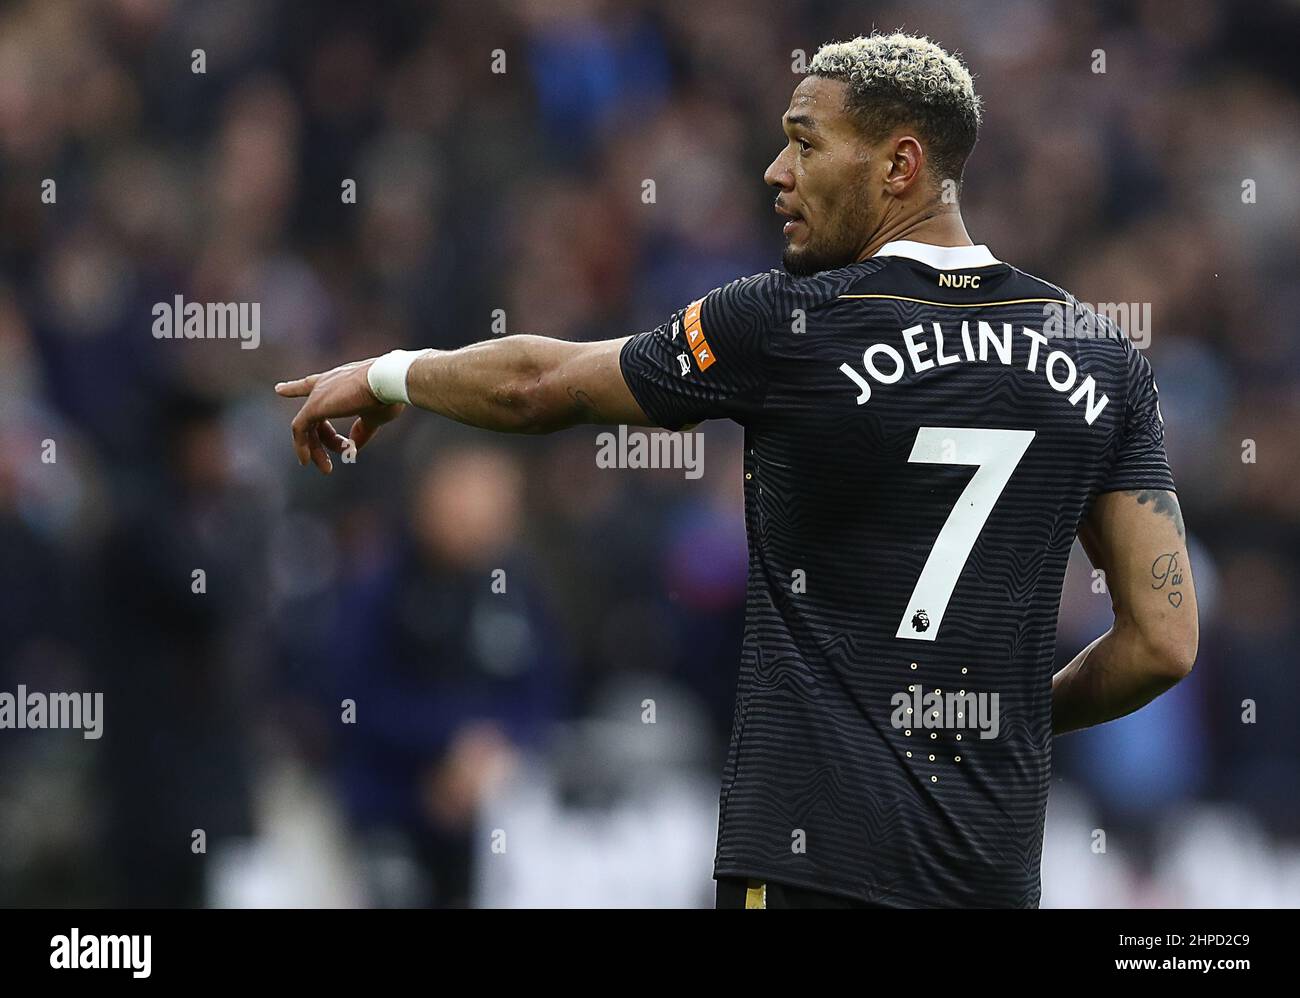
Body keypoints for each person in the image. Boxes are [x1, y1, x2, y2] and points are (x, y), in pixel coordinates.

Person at [275, 32, 1198, 908]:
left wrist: (390, 373)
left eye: (805, 144)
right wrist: (1002, 714)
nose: (776, 172)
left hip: (812, 862)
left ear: (900, 165)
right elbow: (1162, 642)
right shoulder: (1102, 358)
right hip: (989, 869)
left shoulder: (795, 320)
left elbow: (539, 383)